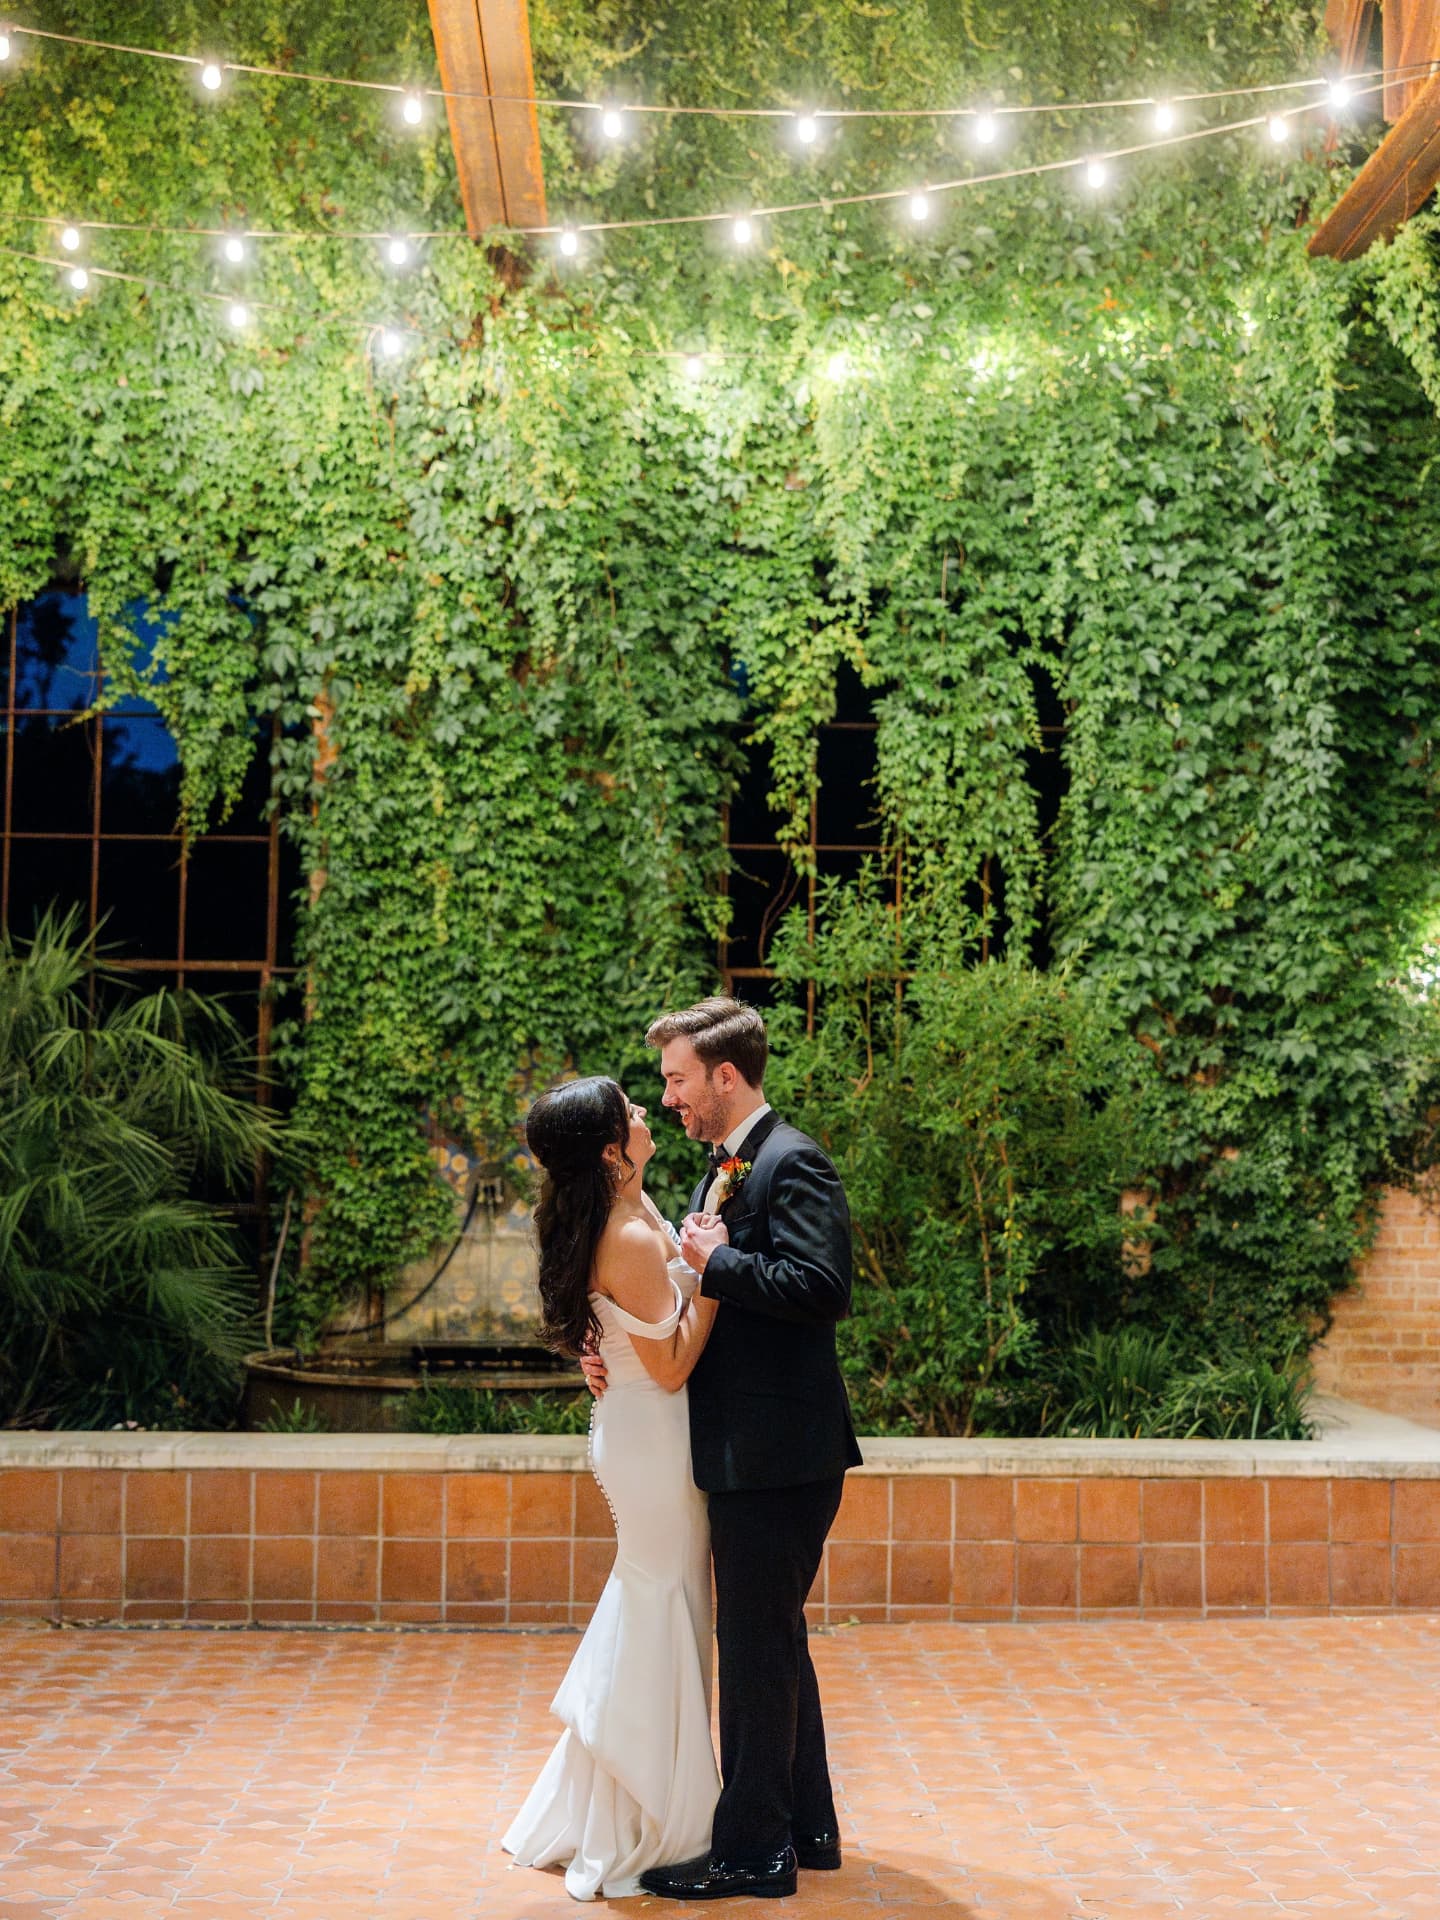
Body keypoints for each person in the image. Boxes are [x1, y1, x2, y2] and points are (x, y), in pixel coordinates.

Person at [584, 996, 862, 1902]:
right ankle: (808, 1828)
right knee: (772, 1641)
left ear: (726, 1076)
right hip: (750, 1446)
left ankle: (752, 1853)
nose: (668, 1098)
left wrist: (719, 1264)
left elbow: (824, 1287)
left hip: (780, 1452)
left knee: (753, 1652)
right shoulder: (727, 1165)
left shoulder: (791, 1161)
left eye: (677, 1080)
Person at [501, 1075, 722, 1902]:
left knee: (659, 1598)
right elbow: (671, 1365)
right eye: (628, 1111)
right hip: (653, 1435)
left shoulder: (628, 1209)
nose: (642, 1113)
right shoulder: (625, 1232)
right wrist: (716, 1278)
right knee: (663, 1601)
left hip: (640, 1430)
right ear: (608, 1153)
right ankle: (658, 1813)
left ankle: (629, 1790)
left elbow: (623, 1328)